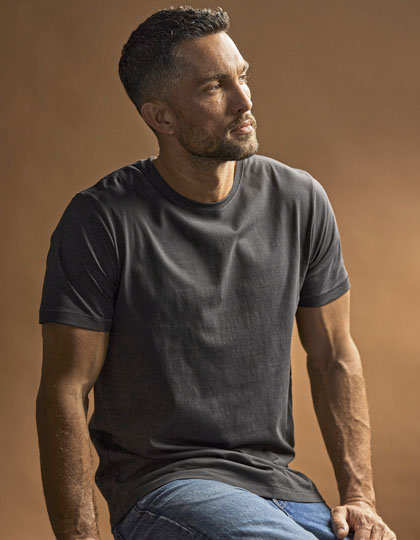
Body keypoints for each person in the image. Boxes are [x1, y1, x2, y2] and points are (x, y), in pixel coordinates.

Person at [36, 6, 396, 540]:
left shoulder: (299, 200)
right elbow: (65, 390)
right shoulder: (101, 220)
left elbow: (335, 355)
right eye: (214, 87)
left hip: (286, 491)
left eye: (242, 76)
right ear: (161, 117)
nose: (244, 100)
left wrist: (360, 498)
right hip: (168, 487)